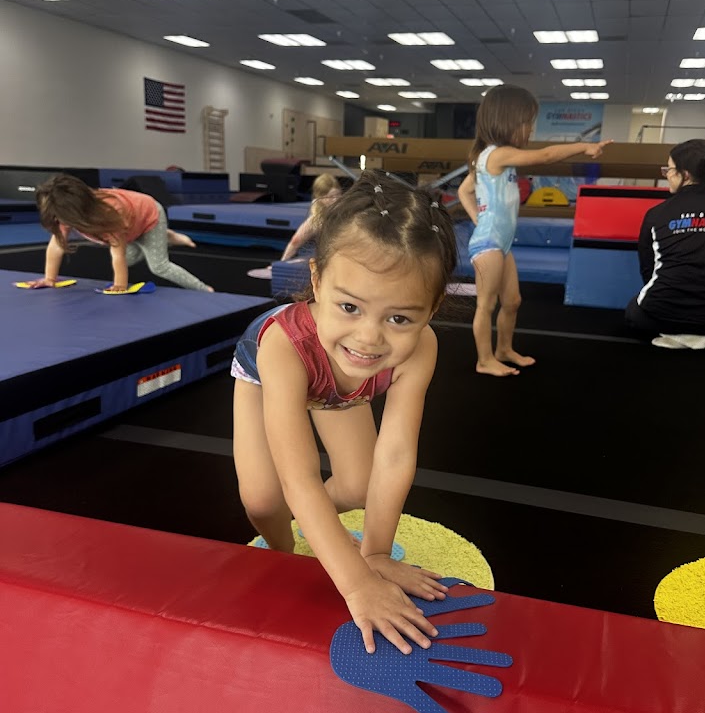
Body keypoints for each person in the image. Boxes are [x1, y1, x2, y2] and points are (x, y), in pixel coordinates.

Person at [232, 173, 457, 656]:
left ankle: (317, 529)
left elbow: (395, 455)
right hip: (275, 368)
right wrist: (357, 584)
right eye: (350, 306)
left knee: (356, 486)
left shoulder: (419, 350)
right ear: (316, 281)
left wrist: (375, 554)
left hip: (340, 386)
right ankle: (282, 551)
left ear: (433, 307)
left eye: (399, 318)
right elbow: (300, 476)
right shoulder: (282, 347)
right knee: (263, 500)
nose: (370, 338)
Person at [457, 85, 611, 376]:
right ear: (508, 121)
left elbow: (465, 191)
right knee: (486, 304)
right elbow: (546, 155)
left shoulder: (492, 159)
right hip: (489, 243)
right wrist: (584, 147)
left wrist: (480, 219)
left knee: (512, 301)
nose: (529, 130)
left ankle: (503, 349)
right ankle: (484, 359)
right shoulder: (497, 155)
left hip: (499, 242)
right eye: (526, 123)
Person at [625, 139, 705, 349]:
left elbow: (648, 270)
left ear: (685, 174)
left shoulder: (656, 214)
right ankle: (697, 336)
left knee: (633, 311)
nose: (666, 175)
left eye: (669, 170)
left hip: (654, 318)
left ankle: (673, 334)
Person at [29, 174, 213, 292]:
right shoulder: (63, 214)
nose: (60, 223)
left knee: (159, 266)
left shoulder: (109, 211)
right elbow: (56, 246)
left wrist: (120, 286)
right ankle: (163, 237)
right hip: (129, 227)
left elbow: (117, 254)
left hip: (149, 216)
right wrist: (49, 279)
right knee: (131, 258)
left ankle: (205, 289)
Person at [280, 172, 342, 261]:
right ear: (320, 198)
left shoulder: (344, 212)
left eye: (338, 195)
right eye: (330, 197)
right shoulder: (315, 221)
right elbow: (295, 242)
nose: (335, 200)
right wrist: (282, 263)